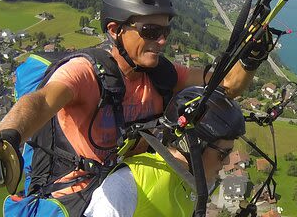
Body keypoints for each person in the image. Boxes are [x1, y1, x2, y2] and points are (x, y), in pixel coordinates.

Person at [0, 0, 269, 215]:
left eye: (165, 32)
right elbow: (41, 101)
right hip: (81, 191)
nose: (161, 41)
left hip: (125, 181)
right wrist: (6, 139)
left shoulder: (160, 74)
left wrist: (251, 58)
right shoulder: (87, 73)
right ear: (114, 30)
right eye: (150, 31)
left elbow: (223, 85)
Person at [85, 85, 246, 217]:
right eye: (223, 153)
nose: (226, 162)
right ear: (192, 144)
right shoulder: (126, 186)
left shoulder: (198, 186)